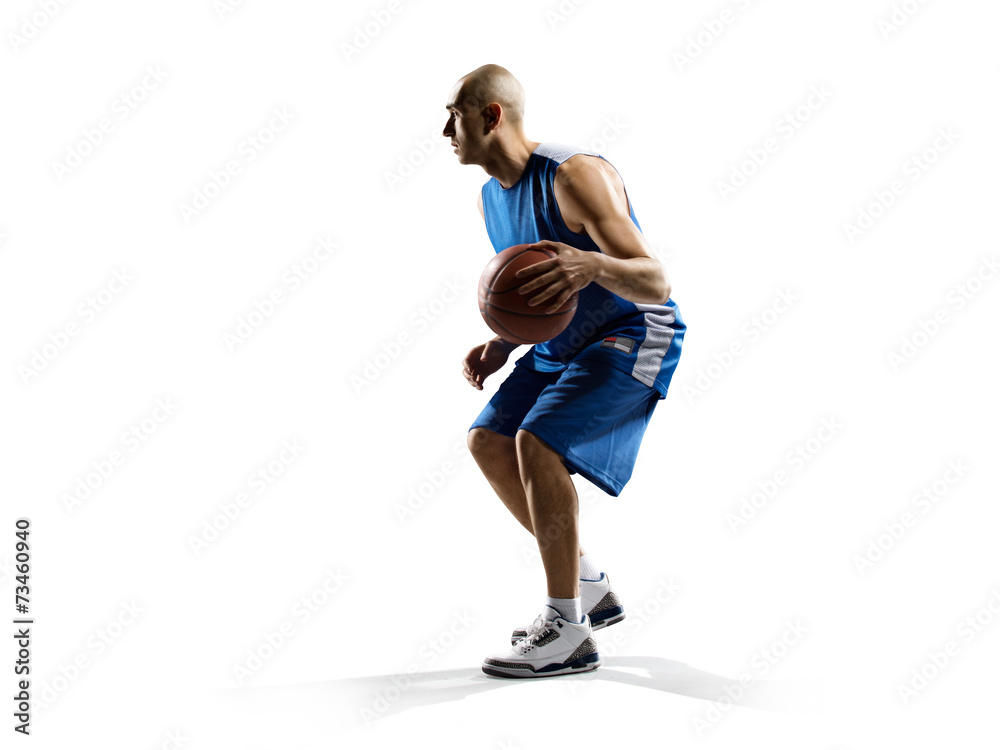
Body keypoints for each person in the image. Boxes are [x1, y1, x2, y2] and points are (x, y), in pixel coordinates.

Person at [443, 64, 685, 678]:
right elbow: (535, 296)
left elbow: (655, 280)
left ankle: (568, 630)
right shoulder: (489, 199)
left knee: (538, 438)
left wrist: (591, 264)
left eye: (456, 114)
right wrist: (501, 342)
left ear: (491, 115)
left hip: (635, 332)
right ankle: (589, 586)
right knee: (488, 439)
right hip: (568, 344)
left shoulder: (575, 176)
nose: (446, 129)